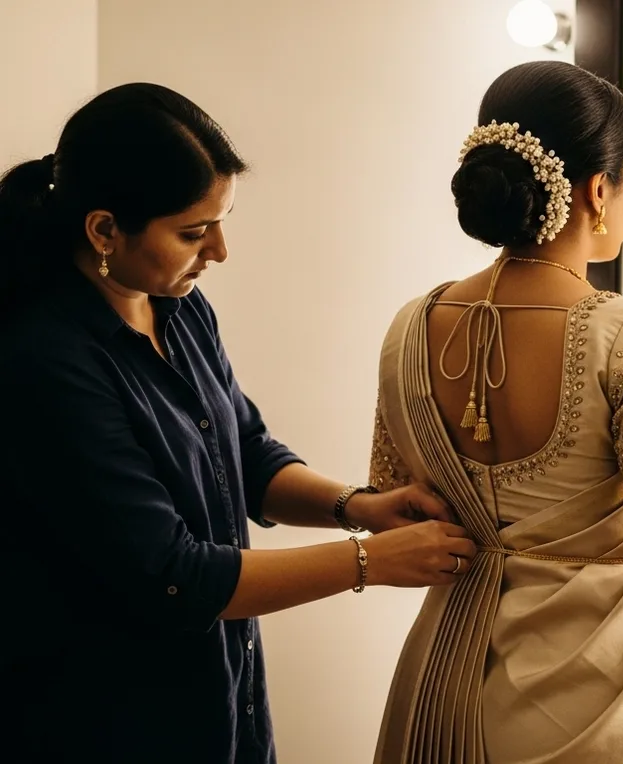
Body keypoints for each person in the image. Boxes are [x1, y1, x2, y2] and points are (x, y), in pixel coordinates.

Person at [0, 83, 478, 764]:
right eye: (194, 232)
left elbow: (245, 454)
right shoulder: (46, 362)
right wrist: (370, 562)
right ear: (104, 230)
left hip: (219, 700)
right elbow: (172, 576)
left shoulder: (179, 308)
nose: (220, 250)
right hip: (103, 719)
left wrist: (359, 506)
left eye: (223, 221)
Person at [369, 61, 623, 764]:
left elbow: (397, 506)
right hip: (605, 697)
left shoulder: (410, 327)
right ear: (600, 190)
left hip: (451, 683)